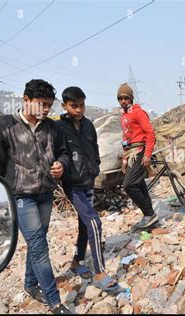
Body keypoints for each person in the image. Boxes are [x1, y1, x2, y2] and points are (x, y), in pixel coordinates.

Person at [0, 79, 71, 314]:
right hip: (21, 196)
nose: (45, 110)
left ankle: (30, 284)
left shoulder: (52, 128)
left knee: (37, 242)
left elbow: (64, 153)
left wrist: (60, 165)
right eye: (41, 104)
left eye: (49, 106)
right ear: (25, 100)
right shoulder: (3, 126)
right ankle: (54, 302)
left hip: (45, 193)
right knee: (39, 246)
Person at [56, 86, 120, 293]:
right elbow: (58, 153)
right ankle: (100, 272)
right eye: (74, 106)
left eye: (82, 105)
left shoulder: (88, 125)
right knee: (94, 221)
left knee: (85, 224)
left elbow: (94, 148)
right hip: (73, 184)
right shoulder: (59, 128)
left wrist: (96, 165)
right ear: (64, 105)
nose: (79, 110)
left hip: (89, 180)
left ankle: (76, 262)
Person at [118, 83, 158, 229]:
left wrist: (147, 154)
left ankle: (149, 213)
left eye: (125, 98)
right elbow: (125, 138)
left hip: (140, 150)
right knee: (139, 184)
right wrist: (124, 158)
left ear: (131, 98)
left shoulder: (138, 112)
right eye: (120, 98)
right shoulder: (124, 116)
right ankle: (151, 216)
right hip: (130, 152)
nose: (123, 101)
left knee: (128, 185)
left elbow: (150, 132)